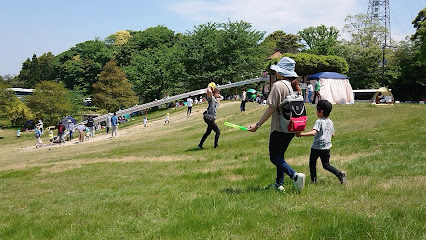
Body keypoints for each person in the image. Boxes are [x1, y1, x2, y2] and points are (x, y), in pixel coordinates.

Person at [248, 57, 306, 193]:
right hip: (291, 128)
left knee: (274, 157)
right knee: (281, 156)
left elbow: (271, 108)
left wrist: (258, 125)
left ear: (281, 72)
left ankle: (295, 176)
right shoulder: (295, 86)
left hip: (279, 128)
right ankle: (279, 184)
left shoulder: (278, 86)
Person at [296, 100, 347, 184]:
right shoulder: (330, 122)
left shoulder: (319, 121)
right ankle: (339, 174)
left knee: (312, 164)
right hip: (326, 148)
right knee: (326, 165)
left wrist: (301, 134)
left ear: (321, 111)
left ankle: (314, 180)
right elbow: (333, 134)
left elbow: (314, 132)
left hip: (316, 147)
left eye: (317, 110)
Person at [198, 82, 223, 149]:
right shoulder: (211, 99)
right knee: (218, 132)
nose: (219, 94)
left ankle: (200, 144)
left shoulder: (215, 100)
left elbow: (221, 98)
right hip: (209, 118)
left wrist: (219, 96)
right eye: (217, 93)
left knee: (208, 132)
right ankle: (216, 145)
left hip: (211, 118)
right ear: (214, 93)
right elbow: (209, 92)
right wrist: (209, 87)